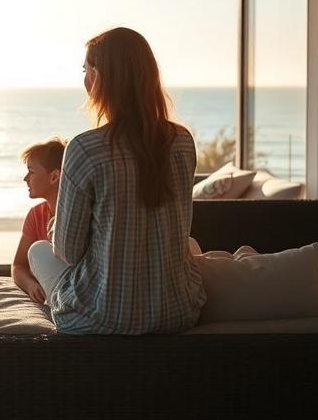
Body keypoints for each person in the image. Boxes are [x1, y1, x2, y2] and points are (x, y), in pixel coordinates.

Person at [28, 27, 206, 334]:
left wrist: (58, 222)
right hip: (178, 311)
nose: (84, 80)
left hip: (102, 318)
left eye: (86, 71)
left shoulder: (85, 149)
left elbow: (67, 253)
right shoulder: (182, 141)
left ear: (100, 77)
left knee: (38, 251)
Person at [11, 138, 66, 303]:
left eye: (32, 171)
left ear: (54, 177)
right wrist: (30, 285)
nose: (25, 178)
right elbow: (18, 265)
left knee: (38, 250)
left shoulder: (76, 214)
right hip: (52, 292)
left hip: (72, 291)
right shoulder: (36, 215)